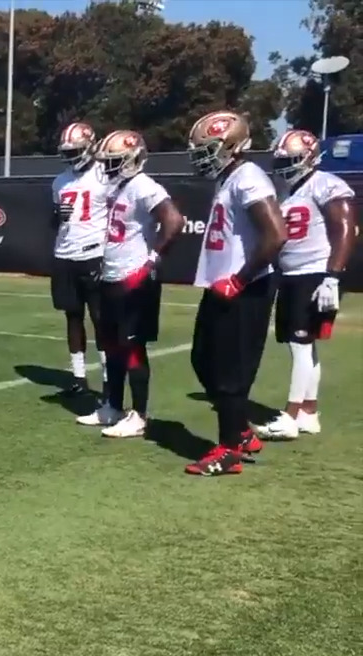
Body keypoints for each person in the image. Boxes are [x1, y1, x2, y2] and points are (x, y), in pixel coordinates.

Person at [184, 109, 288, 476]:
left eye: (209, 148)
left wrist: (241, 279)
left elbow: (276, 235)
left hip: (245, 287)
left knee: (230, 372)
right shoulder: (228, 178)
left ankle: (228, 450)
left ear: (234, 145)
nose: (203, 155)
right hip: (222, 285)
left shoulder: (248, 177)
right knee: (202, 359)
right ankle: (241, 431)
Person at [78, 130, 185, 437]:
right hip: (113, 275)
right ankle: (112, 406)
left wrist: (151, 260)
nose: (109, 167)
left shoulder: (143, 185)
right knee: (111, 346)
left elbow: (174, 221)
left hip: (135, 279)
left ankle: (139, 415)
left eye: (114, 160)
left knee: (132, 347)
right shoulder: (119, 186)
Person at [252, 129, 356, 440]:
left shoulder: (326, 184)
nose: (285, 165)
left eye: (292, 159)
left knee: (300, 345)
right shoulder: (287, 190)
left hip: (312, 274)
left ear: (309, 158)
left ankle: (291, 415)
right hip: (293, 274)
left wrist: (332, 277)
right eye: (282, 159)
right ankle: (308, 411)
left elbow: (346, 229)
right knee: (304, 346)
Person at [50, 122, 109, 400]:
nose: (72, 156)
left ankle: (110, 379)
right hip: (65, 253)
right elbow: (54, 221)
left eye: (76, 150)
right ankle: (79, 377)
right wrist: (56, 215)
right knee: (72, 317)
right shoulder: (59, 181)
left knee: (101, 319)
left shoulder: (106, 174)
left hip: (95, 252)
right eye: (68, 151)